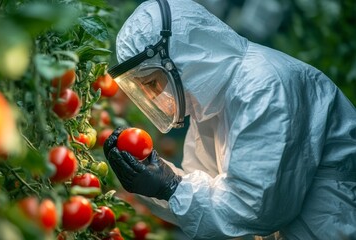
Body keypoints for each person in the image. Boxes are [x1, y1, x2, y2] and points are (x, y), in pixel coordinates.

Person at [103, 0, 356, 239]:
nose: (155, 95)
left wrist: (169, 187)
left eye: (151, 83)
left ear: (179, 59)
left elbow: (257, 209)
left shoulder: (264, 88)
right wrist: (153, 179)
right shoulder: (211, 104)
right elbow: (211, 204)